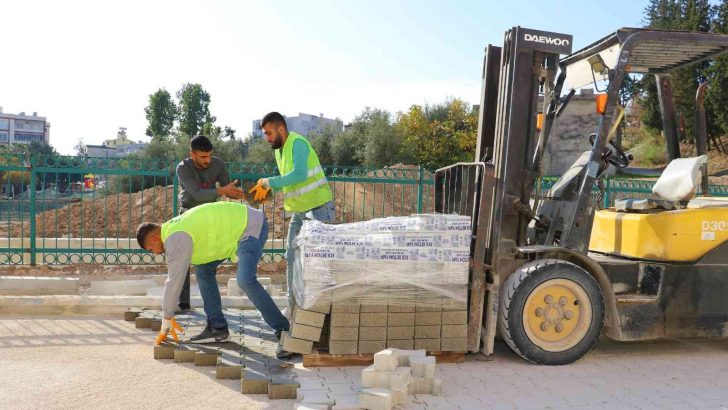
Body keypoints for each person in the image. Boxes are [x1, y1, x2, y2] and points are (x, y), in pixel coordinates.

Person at [136, 201, 289, 345]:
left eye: (151, 249)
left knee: (245, 280)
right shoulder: (174, 229)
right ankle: (218, 328)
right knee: (203, 269)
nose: (155, 253)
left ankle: (283, 329)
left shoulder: (175, 237)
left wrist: (166, 318)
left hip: (249, 227)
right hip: (238, 230)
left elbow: (175, 280)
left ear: (155, 239)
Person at [249, 112, 335, 311]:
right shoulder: (279, 150)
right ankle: (293, 307)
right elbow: (289, 180)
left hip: (319, 210)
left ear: (281, 129)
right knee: (290, 257)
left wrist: (269, 182)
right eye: (265, 134)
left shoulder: (298, 143)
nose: (267, 138)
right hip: (299, 212)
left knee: (320, 262)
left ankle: (321, 312)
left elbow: (299, 174)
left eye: (269, 133)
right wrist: (269, 189)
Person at [175, 135, 245, 313]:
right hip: (188, 214)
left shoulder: (218, 164)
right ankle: (182, 303)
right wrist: (222, 191)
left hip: (210, 215)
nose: (207, 160)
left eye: (209, 156)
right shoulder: (182, 169)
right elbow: (197, 194)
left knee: (207, 261)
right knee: (181, 258)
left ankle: (213, 310)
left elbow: (226, 187)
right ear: (192, 154)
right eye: (203, 157)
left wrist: (238, 193)